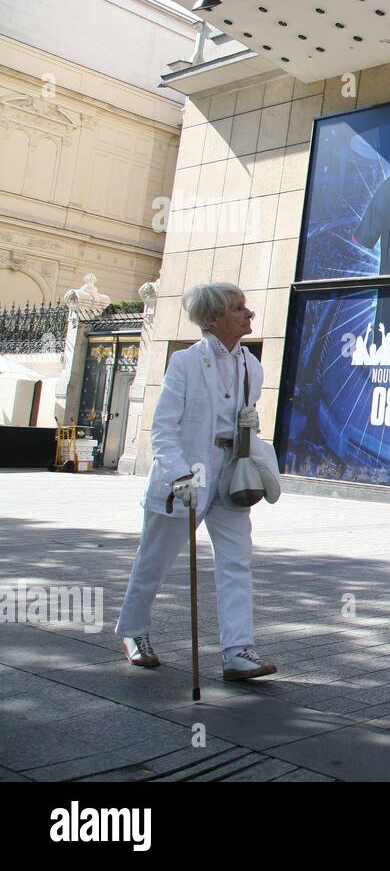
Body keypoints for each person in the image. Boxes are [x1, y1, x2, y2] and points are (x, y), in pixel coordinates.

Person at [114, 282, 278, 681]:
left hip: (232, 474)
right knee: (153, 559)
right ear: (214, 319)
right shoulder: (186, 363)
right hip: (188, 477)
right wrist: (178, 475)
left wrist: (248, 426)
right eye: (239, 309)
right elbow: (163, 430)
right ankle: (134, 632)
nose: (249, 314)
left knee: (237, 562)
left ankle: (238, 650)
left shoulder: (251, 366)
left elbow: (244, 418)